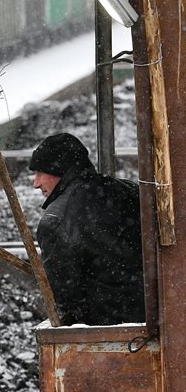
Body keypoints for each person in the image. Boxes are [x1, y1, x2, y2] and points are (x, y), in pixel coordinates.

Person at [29, 132, 145, 325]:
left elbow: (66, 296)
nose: (36, 183)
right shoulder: (129, 191)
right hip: (160, 317)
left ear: (59, 170)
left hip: (108, 331)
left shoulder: (55, 221)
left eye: (40, 173)